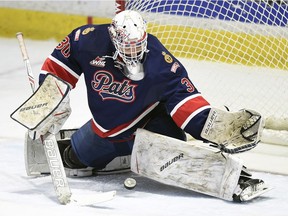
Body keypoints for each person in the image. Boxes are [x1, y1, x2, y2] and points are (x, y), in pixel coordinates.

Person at [19, 10, 267, 202]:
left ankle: (232, 177)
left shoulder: (161, 62)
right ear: (113, 38)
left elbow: (185, 100)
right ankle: (92, 152)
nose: (134, 51)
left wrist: (216, 126)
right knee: (74, 158)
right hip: (105, 132)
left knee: (169, 153)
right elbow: (59, 64)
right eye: (127, 46)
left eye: (138, 45)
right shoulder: (88, 40)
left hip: (152, 124)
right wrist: (49, 100)